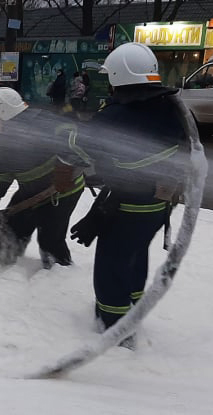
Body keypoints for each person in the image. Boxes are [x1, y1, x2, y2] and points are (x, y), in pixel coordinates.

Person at [68, 43, 189, 348]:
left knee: (111, 268)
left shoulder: (118, 117)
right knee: (134, 257)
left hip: (128, 207)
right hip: (159, 205)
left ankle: (116, 331)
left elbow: (79, 147)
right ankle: (132, 310)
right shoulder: (169, 107)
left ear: (119, 75)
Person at [0, 87, 85, 269]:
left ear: (3, 111)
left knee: (50, 238)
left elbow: (74, 140)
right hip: (33, 191)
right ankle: (4, 264)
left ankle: (59, 271)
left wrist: (65, 165)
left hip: (63, 191)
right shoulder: (7, 141)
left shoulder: (43, 122)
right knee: (12, 226)